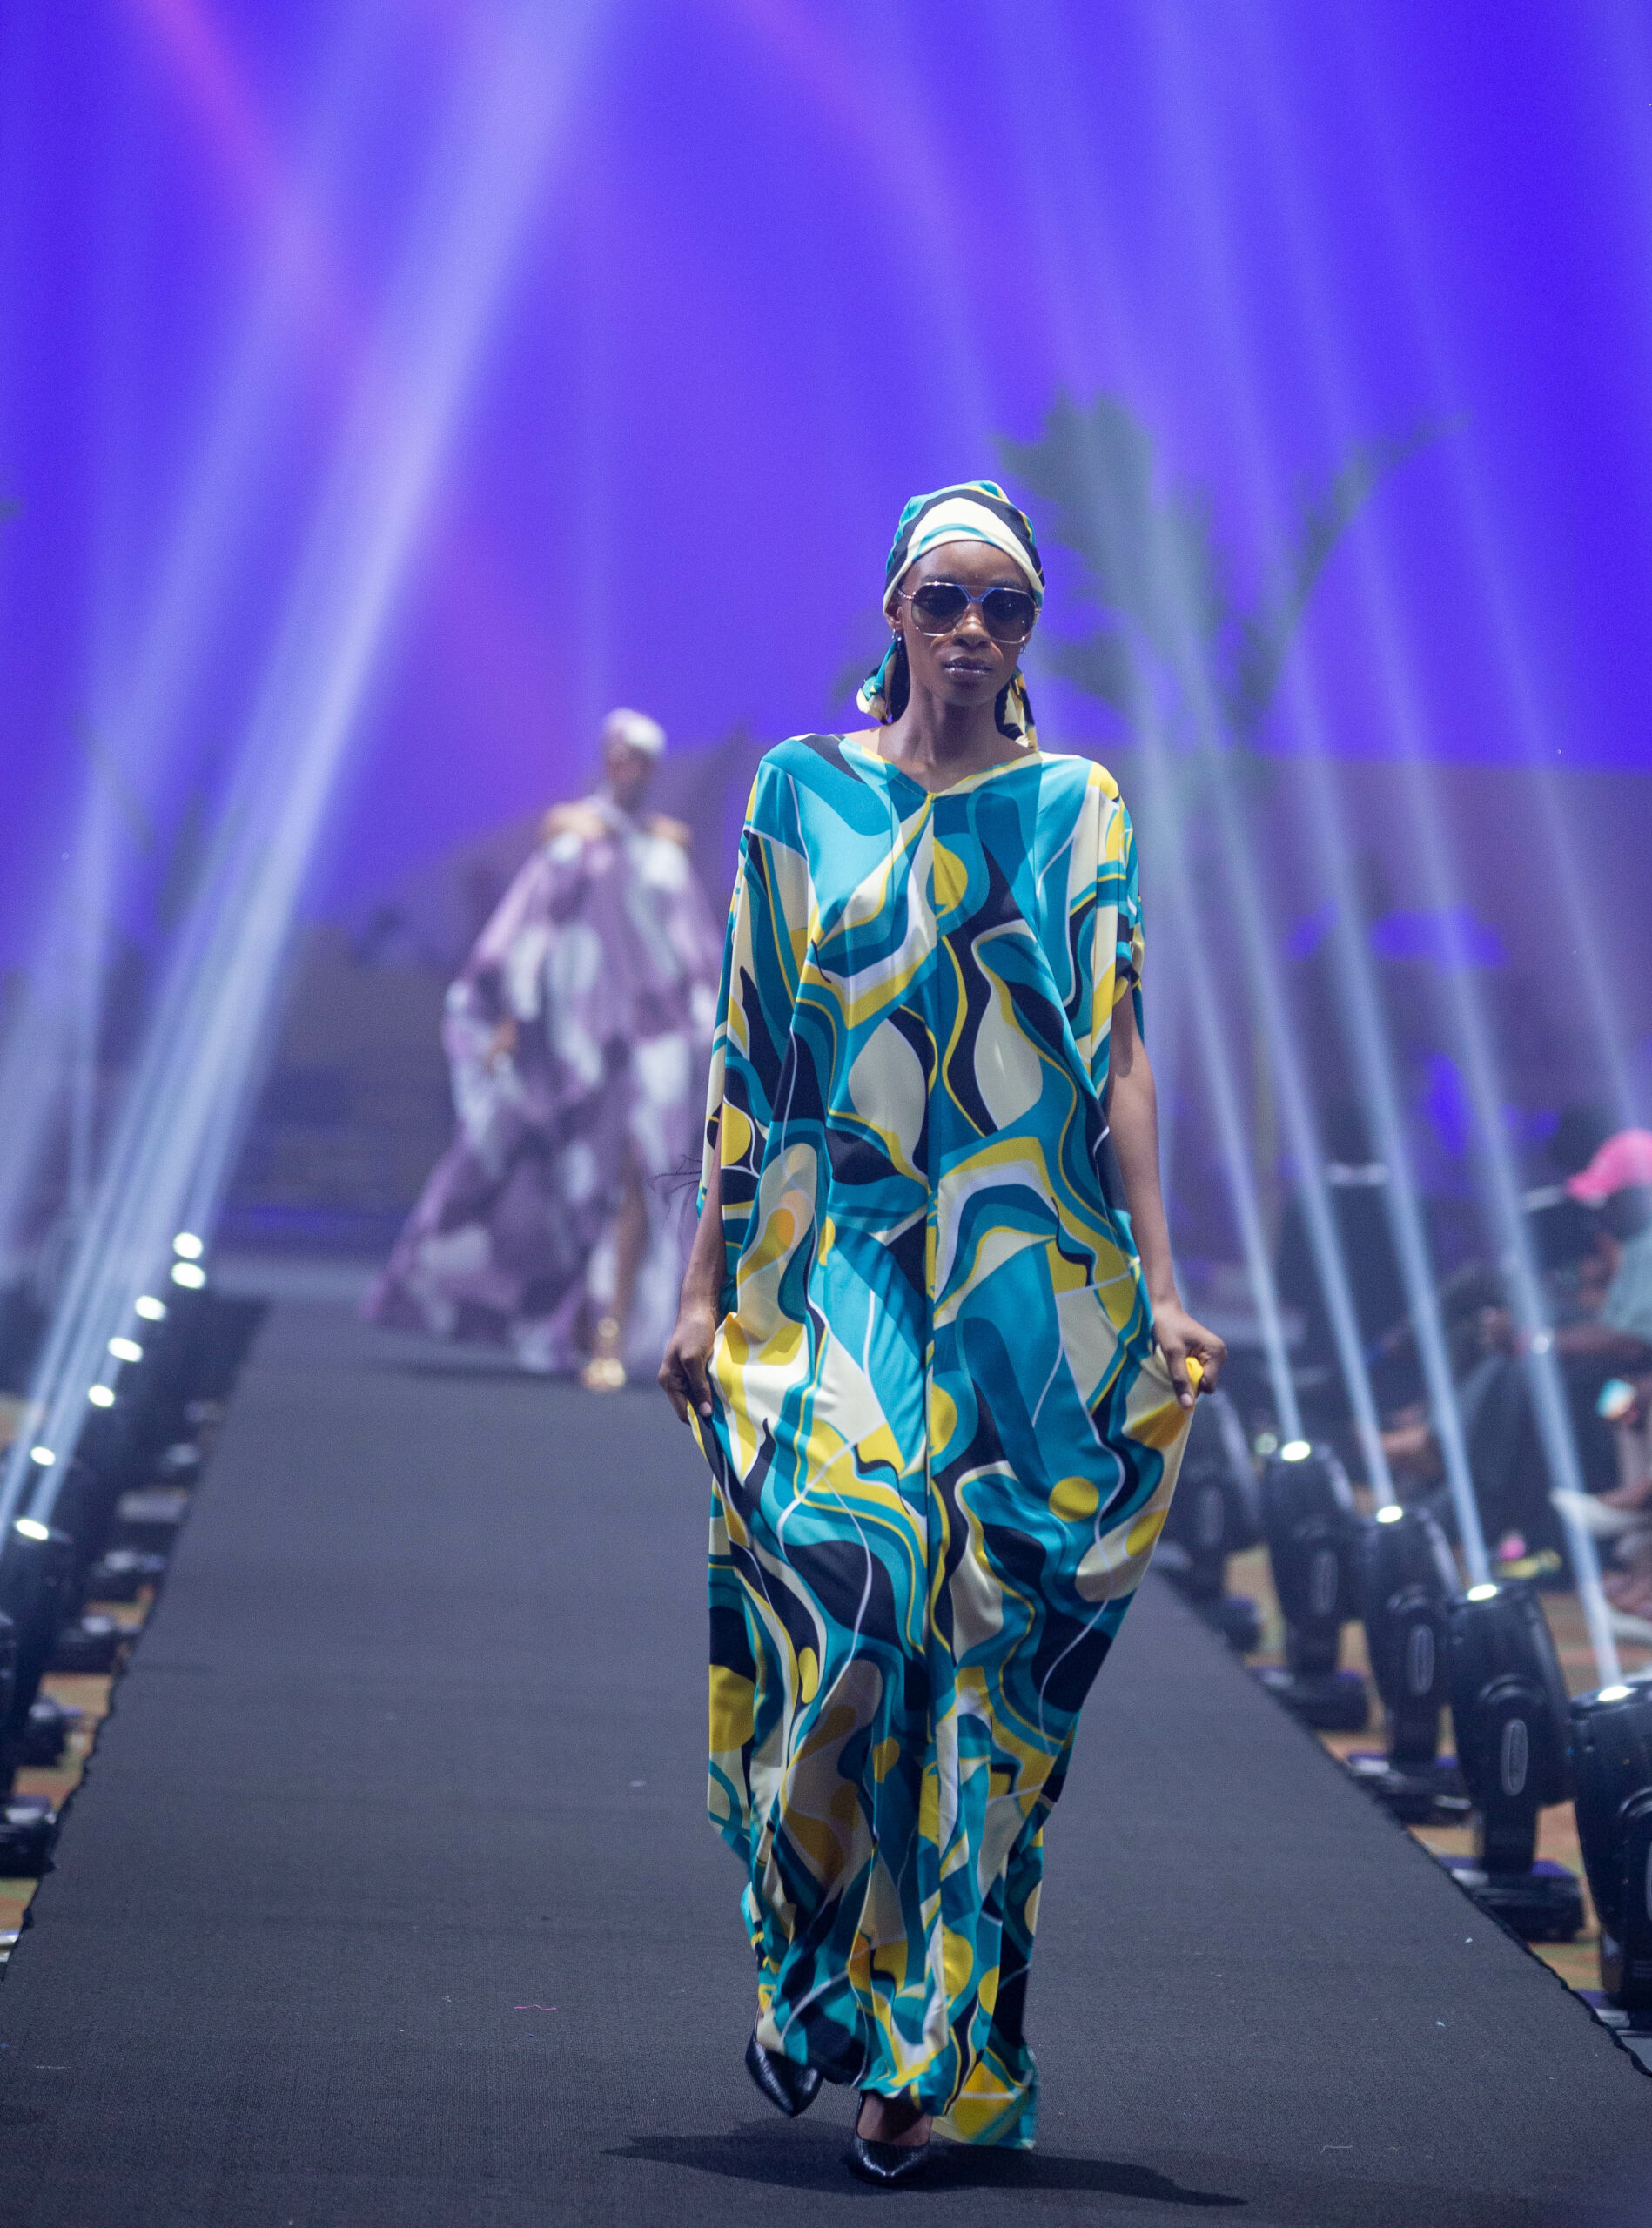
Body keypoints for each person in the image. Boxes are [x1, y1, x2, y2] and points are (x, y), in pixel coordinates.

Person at [658, 482, 1225, 2183]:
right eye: (944, 599)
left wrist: (1164, 1279)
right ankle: (809, 1961)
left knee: (981, 1681)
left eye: (1006, 607)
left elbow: (1118, 1053)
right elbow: (746, 1043)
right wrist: (692, 1287)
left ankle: (918, 2056)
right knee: (848, 1599)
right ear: (892, 610)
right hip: (828, 1264)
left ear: (1029, 631)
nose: (973, 631)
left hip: (1026, 1281)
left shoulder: (1075, 807)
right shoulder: (798, 790)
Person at [366, 708, 720, 1387]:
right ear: (608, 759)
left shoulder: (661, 854)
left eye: (642, 760)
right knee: (570, 1183)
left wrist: (708, 1035)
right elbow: (528, 935)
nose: (630, 769)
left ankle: (611, 1332)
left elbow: (694, 952)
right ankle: (571, 1323)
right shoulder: (570, 846)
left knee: (639, 1174)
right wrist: (509, 1017)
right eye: (622, 755)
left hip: (650, 1047)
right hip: (573, 1048)